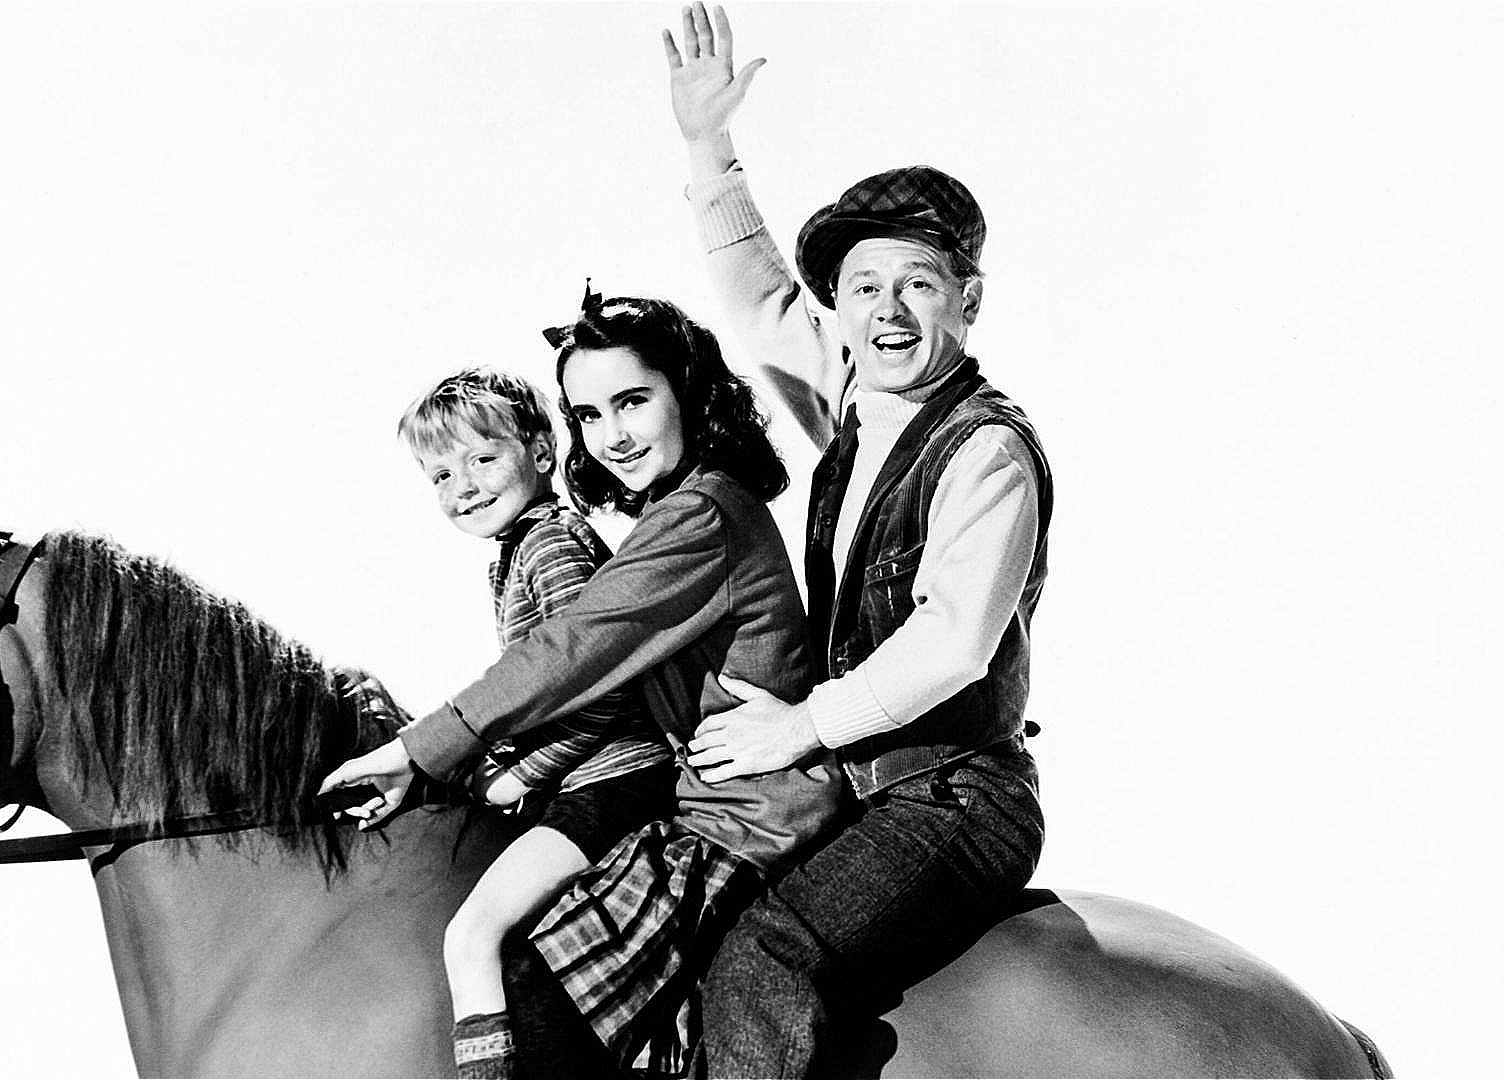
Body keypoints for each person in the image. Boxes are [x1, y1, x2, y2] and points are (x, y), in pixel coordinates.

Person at [663, 5, 1054, 1076]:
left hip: (953, 794)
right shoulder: (853, 395)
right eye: (865, 287)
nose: (889, 310)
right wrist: (707, 145)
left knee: (764, 958)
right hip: (861, 779)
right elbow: (754, 299)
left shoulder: (986, 452)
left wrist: (800, 728)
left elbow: (953, 647)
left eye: (919, 285)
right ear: (836, 308)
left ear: (967, 304)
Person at [319, 291, 844, 1078]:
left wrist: (421, 753)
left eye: (631, 401)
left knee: (542, 988)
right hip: (709, 801)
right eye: (590, 416)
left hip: (742, 817)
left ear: (689, 393)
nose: (612, 436)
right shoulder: (672, 512)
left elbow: (570, 654)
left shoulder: (696, 515)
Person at [392, 367, 678, 1079]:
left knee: (473, 935)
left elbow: (602, 685)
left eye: (483, 458)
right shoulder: (521, 548)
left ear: (542, 453)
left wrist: (523, 772)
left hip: (616, 779)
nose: (463, 486)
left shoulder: (549, 545)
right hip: (592, 779)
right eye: (439, 475)